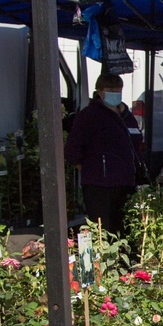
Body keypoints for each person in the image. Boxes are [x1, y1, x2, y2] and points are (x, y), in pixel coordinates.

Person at [64, 73, 143, 236]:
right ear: (99, 91)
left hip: (126, 182)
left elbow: (136, 142)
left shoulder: (127, 116)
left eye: (118, 89)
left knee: (125, 227)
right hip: (99, 185)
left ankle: (123, 261)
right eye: (110, 89)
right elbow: (73, 149)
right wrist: (91, 170)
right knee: (103, 230)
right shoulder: (89, 115)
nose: (115, 92)